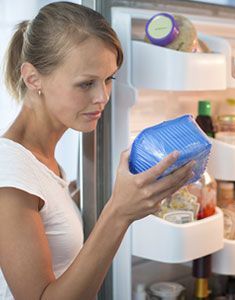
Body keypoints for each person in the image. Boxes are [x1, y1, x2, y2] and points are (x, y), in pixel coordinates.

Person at [0, 2, 195, 299]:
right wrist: (119, 212)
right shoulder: (10, 173)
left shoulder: (43, 162)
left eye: (109, 79)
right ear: (33, 78)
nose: (102, 97)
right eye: (86, 83)